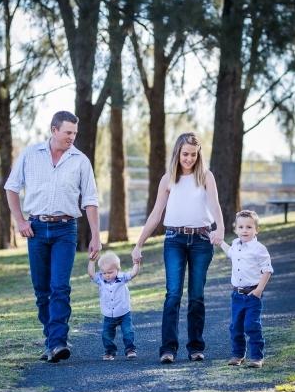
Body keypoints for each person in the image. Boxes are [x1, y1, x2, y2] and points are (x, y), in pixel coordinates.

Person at [5, 111, 102, 363]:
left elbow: (90, 200)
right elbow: (11, 187)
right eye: (68, 132)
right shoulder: (30, 154)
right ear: (54, 130)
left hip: (65, 230)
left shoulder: (80, 160)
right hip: (35, 229)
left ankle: (58, 342)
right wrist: (19, 220)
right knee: (41, 291)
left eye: (75, 133)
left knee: (60, 287)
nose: (72, 137)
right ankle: (51, 340)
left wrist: (95, 236)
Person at [132, 132, 224, 364]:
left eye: (194, 154)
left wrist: (220, 227)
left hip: (202, 241)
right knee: (173, 294)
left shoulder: (205, 176)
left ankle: (195, 347)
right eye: (185, 154)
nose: (189, 159)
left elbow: (214, 203)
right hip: (174, 239)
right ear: (177, 153)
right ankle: (168, 349)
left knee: (196, 296)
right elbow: (155, 215)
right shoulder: (167, 180)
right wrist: (138, 244)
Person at [219, 210, 273, 368]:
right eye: (240, 227)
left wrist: (259, 290)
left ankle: (257, 357)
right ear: (236, 229)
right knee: (236, 326)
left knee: (251, 325)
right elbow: (229, 252)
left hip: (252, 294)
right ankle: (238, 354)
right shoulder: (235, 244)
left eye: (249, 227)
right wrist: (220, 241)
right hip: (237, 294)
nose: (244, 230)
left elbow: (267, 270)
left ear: (256, 230)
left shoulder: (259, 248)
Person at [88, 251, 140, 360]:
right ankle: (109, 351)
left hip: (124, 313)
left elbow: (134, 273)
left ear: (118, 270)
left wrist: (136, 262)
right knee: (106, 334)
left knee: (128, 331)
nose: (107, 275)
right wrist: (92, 261)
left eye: (110, 272)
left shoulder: (122, 278)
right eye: (104, 272)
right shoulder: (100, 280)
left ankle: (130, 349)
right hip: (108, 315)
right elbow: (91, 274)